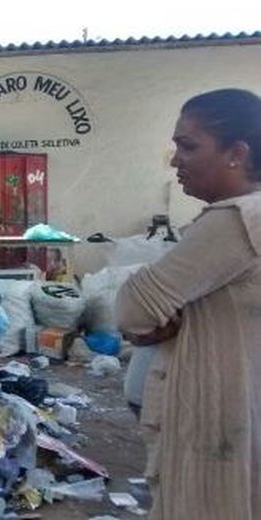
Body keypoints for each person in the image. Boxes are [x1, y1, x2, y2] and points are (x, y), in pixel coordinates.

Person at [116, 88, 261, 519]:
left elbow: (131, 308)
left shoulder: (235, 221)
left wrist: (147, 317)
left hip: (216, 415)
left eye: (188, 145)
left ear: (237, 153)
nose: (175, 158)